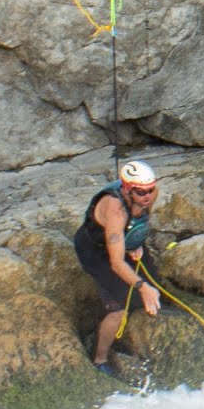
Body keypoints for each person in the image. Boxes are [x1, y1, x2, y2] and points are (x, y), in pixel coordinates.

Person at [74, 160, 164, 374]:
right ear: (127, 189)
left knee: (155, 286)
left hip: (121, 244)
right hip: (97, 252)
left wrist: (136, 244)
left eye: (150, 190)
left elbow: (141, 221)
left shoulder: (150, 193)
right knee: (120, 307)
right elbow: (116, 263)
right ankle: (100, 359)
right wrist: (141, 286)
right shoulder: (115, 210)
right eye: (142, 192)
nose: (148, 196)